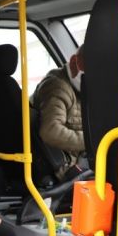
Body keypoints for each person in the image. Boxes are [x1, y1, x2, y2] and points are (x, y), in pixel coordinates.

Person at [31, 45, 87, 180]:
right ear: (73, 61)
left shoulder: (81, 89)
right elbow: (50, 131)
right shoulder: (57, 87)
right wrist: (90, 141)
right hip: (65, 168)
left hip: (79, 160)